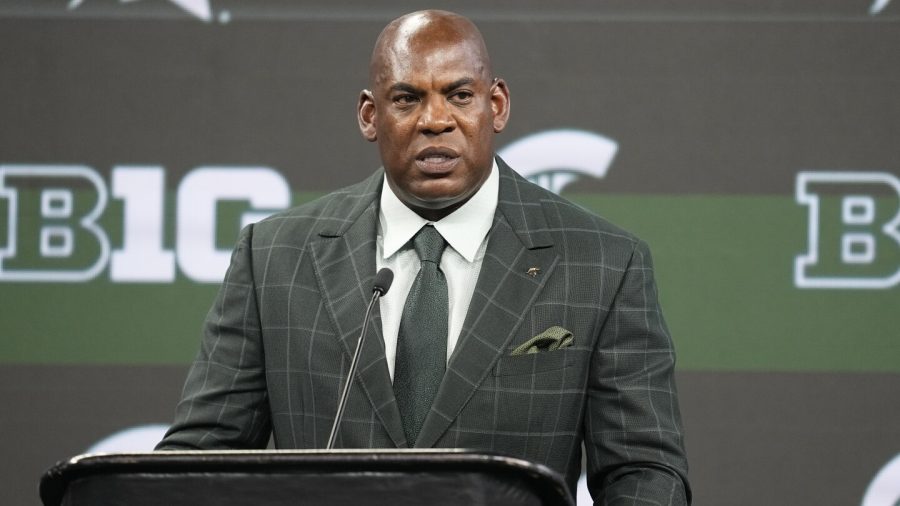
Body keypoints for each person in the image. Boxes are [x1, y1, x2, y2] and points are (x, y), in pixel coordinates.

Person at [157, 9, 691, 504]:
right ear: (370, 116)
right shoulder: (274, 257)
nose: (436, 120)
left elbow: (644, 473)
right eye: (408, 98)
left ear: (496, 105)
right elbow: (199, 460)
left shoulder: (602, 263)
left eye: (459, 95)